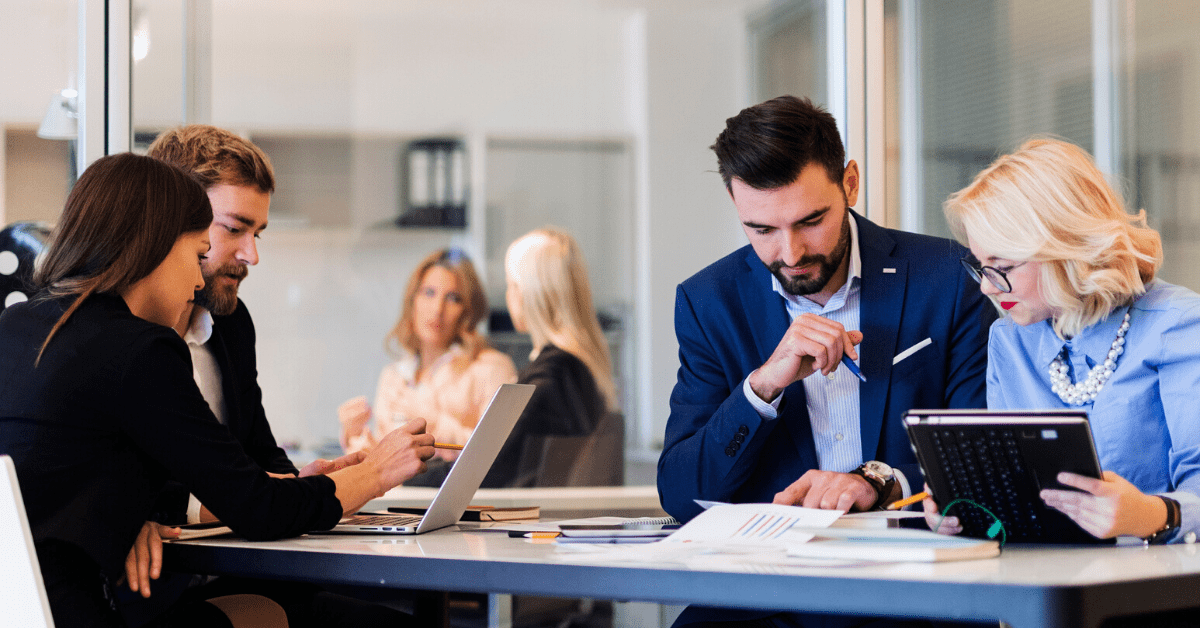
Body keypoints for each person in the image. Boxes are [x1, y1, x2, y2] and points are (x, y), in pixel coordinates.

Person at [0, 153, 435, 628]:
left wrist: (132, 516)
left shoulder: (17, 327)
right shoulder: (141, 350)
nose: (194, 278)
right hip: (88, 613)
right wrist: (376, 472)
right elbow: (259, 510)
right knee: (272, 614)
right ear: (157, 246)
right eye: (194, 253)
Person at [657, 96, 995, 628]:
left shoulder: (948, 279)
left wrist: (879, 481)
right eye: (762, 230)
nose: (790, 254)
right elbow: (681, 491)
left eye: (810, 221)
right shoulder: (709, 302)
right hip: (761, 607)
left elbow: (981, 454)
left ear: (850, 184)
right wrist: (762, 387)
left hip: (912, 600)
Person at [146, 125, 418, 628]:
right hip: (154, 593)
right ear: (175, 220)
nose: (252, 255)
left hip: (241, 574)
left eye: (259, 234)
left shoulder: (230, 324)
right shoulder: (123, 340)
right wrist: (367, 476)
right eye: (234, 229)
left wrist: (300, 482)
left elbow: (258, 456)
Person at [936, 137, 1200, 544]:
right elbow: (1014, 492)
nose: (987, 288)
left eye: (1002, 266)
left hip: (1157, 590)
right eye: (980, 266)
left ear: (1067, 249)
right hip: (1044, 586)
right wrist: (970, 509)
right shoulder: (1009, 339)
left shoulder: (1178, 326)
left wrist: (1150, 514)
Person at [338, 248, 517, 455]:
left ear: (468, 309)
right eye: (429, 293)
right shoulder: (393, 377)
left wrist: (433, 422)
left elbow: (493, 455)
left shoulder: (489, 368)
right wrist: (355, 437)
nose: (437, 309)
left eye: (453, 298)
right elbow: (385, 465)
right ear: (412, 301)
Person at [482, 227, 619, 488]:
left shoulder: (547, 378)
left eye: (512, 285)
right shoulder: (577, 368)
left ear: (530, 293)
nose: (510, 295)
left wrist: (411, 472)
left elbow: (485, 472)